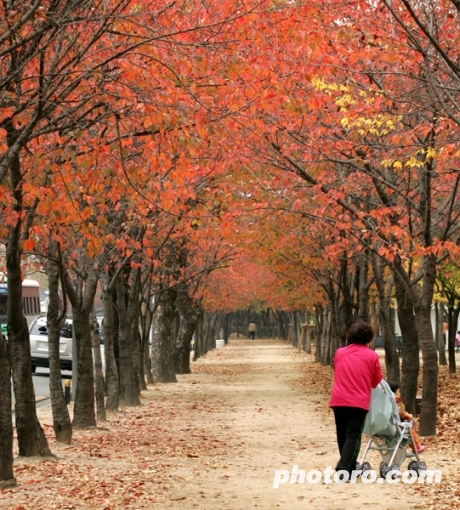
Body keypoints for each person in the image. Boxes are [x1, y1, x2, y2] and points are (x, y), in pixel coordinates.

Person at [329, 322, 383, 479]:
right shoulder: (372, 356)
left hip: (338, 400)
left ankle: (350, 468)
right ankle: (343, 466)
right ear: (369, 338)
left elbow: (337, 369)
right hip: (358, 402)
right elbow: (375, 381)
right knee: (353, 435)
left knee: (342, 433)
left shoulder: (340, 353)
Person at [388, 382, 425, 454]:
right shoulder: (396, 401)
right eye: (398, 391)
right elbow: (401, 413)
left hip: (388, 424)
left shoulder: (386, 401)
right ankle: (416, 447)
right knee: (410, 431)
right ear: (394, 392)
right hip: (397, 424)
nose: (399, 392)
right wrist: (409, 416)